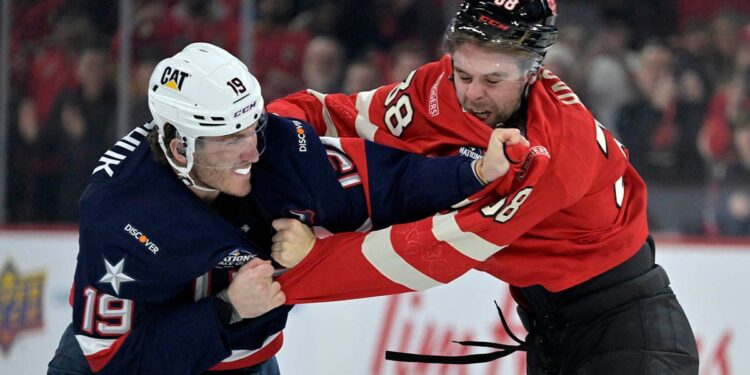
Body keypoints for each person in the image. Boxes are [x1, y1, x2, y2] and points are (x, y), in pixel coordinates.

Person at [267, 1, 700, 373]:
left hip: (630, 333)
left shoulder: (556, 151)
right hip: (549, 327)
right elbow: (336, 113)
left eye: (493, 81)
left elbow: (436, 252)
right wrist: (254, 135)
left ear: (533, 72)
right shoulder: (438, 86)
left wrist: (308, 265)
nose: (472, 94)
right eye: (464, 73)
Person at [47, 42, 525, 374]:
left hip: (244, 364)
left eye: (250, 129)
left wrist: (477, 171)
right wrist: (228, 309)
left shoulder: (277, 146)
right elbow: (116, 360)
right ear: (178, 148)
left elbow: (386, 181)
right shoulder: (117, 211)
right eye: (229, 140)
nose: (251, 153)